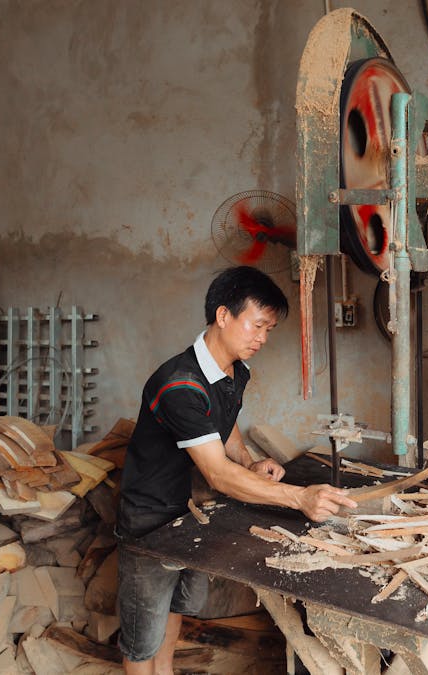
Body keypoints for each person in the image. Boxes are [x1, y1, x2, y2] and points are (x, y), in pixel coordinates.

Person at [116, 265, 357, 674]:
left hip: (189, 511)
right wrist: (300, 497)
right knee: (142, 636)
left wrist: (249, 461)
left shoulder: (233, 372)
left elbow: (223, 428)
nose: (262, 339)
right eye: (257, 325)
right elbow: (219, 475)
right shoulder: (180, 385)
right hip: (149, 517)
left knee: (175, 607)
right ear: (224, 315)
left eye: (269, 330)